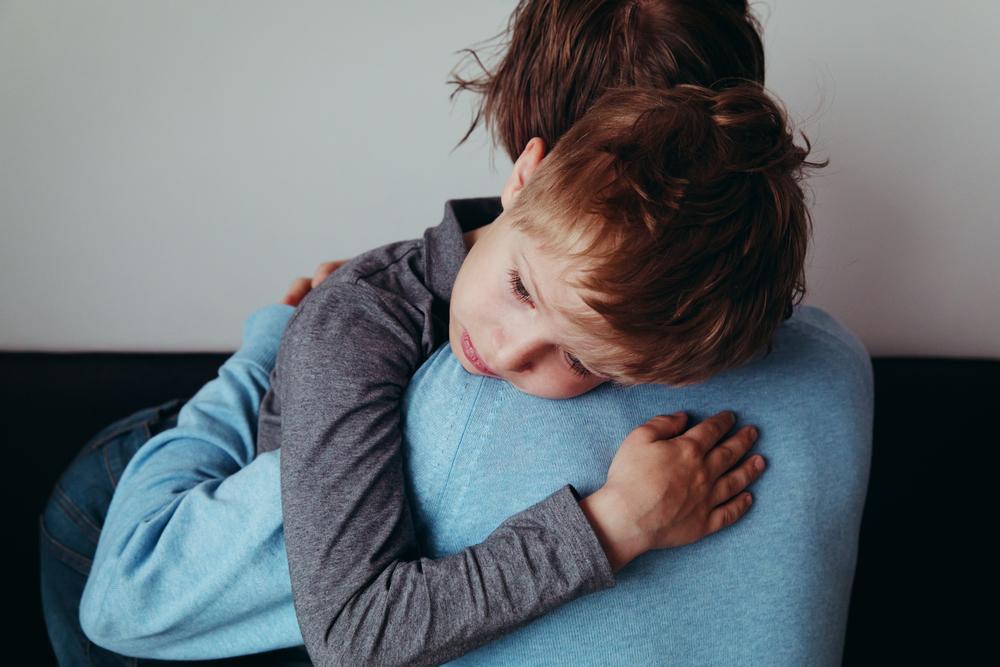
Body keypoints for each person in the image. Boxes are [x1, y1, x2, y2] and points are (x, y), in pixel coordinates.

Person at [40, 2, 868, 665]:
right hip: (197, 462)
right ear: (534, 173)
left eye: (581, 355)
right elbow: (346, 626)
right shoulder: (835, 360)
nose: (506, 355)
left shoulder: (602, 346)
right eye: (520, 286)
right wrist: (282, 340)